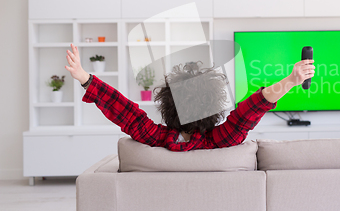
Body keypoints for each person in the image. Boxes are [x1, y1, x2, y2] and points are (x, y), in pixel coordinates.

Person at [64, 43, 315, 151]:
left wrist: (87, 79)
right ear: (215, 108)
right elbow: (250, 111)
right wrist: (291, 81)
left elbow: (127, 113)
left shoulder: (157, 140)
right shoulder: (220, 141)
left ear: (167, 105)